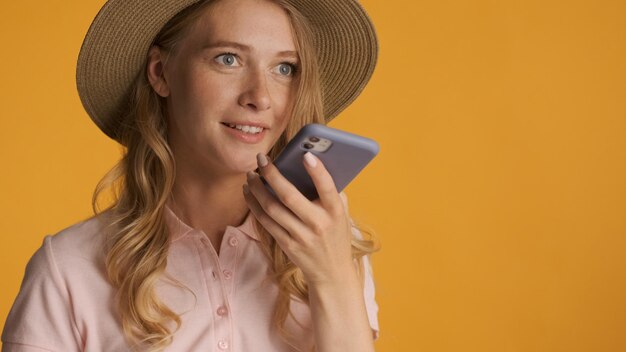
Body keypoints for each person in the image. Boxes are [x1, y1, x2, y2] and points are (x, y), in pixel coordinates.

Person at [2, 0, 380, 351]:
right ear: (160, 72)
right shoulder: (68, 268)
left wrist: (333, 278)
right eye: (228, 59)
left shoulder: (335, 246)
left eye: (284, 68)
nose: (260, 97)